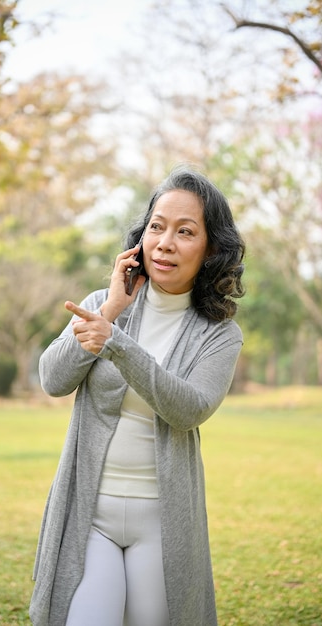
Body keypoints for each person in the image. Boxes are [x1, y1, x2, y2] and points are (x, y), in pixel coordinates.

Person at [29, 164, 245, 626]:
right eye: (156, 227)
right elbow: (52, 379)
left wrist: (116, 342)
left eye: (185, 231)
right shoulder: (102, 305)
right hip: (90, 514)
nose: (165, 242)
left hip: (162, 521)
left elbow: (189, 409)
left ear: (210, 250)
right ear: (141, 237)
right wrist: (110, 310)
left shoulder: (220, 335)